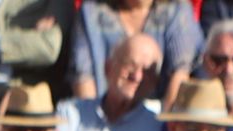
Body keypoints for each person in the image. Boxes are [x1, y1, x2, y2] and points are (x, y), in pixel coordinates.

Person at [57, 33, 164, 131]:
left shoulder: (155, 129)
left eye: (147, 71)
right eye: (130, 65)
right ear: (108, 68)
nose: (136, 76)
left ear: (155, 82)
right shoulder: (70, 112)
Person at [70, 0, 201, 104]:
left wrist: (164, 127)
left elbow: (180, 73)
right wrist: (94, 125)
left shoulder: (178, 10)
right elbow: (82, 76)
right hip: (104, 116)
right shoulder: (90, 12)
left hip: (157, 120)